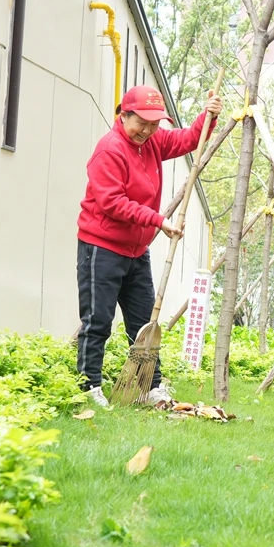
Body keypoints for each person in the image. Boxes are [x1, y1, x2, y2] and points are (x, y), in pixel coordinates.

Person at [76, 85, 223, 407]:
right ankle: (89, 386)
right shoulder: (109, 150)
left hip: (136, 250)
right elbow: (112, 202)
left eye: (154, 124)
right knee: (98, 321)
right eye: (141, 122)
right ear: (123, 115)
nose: (147, 130)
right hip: (102, 247)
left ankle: (150, 387)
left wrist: (208, 116)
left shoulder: (153, 142)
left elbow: (188, 140)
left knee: (145, 323)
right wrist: (158, 220)